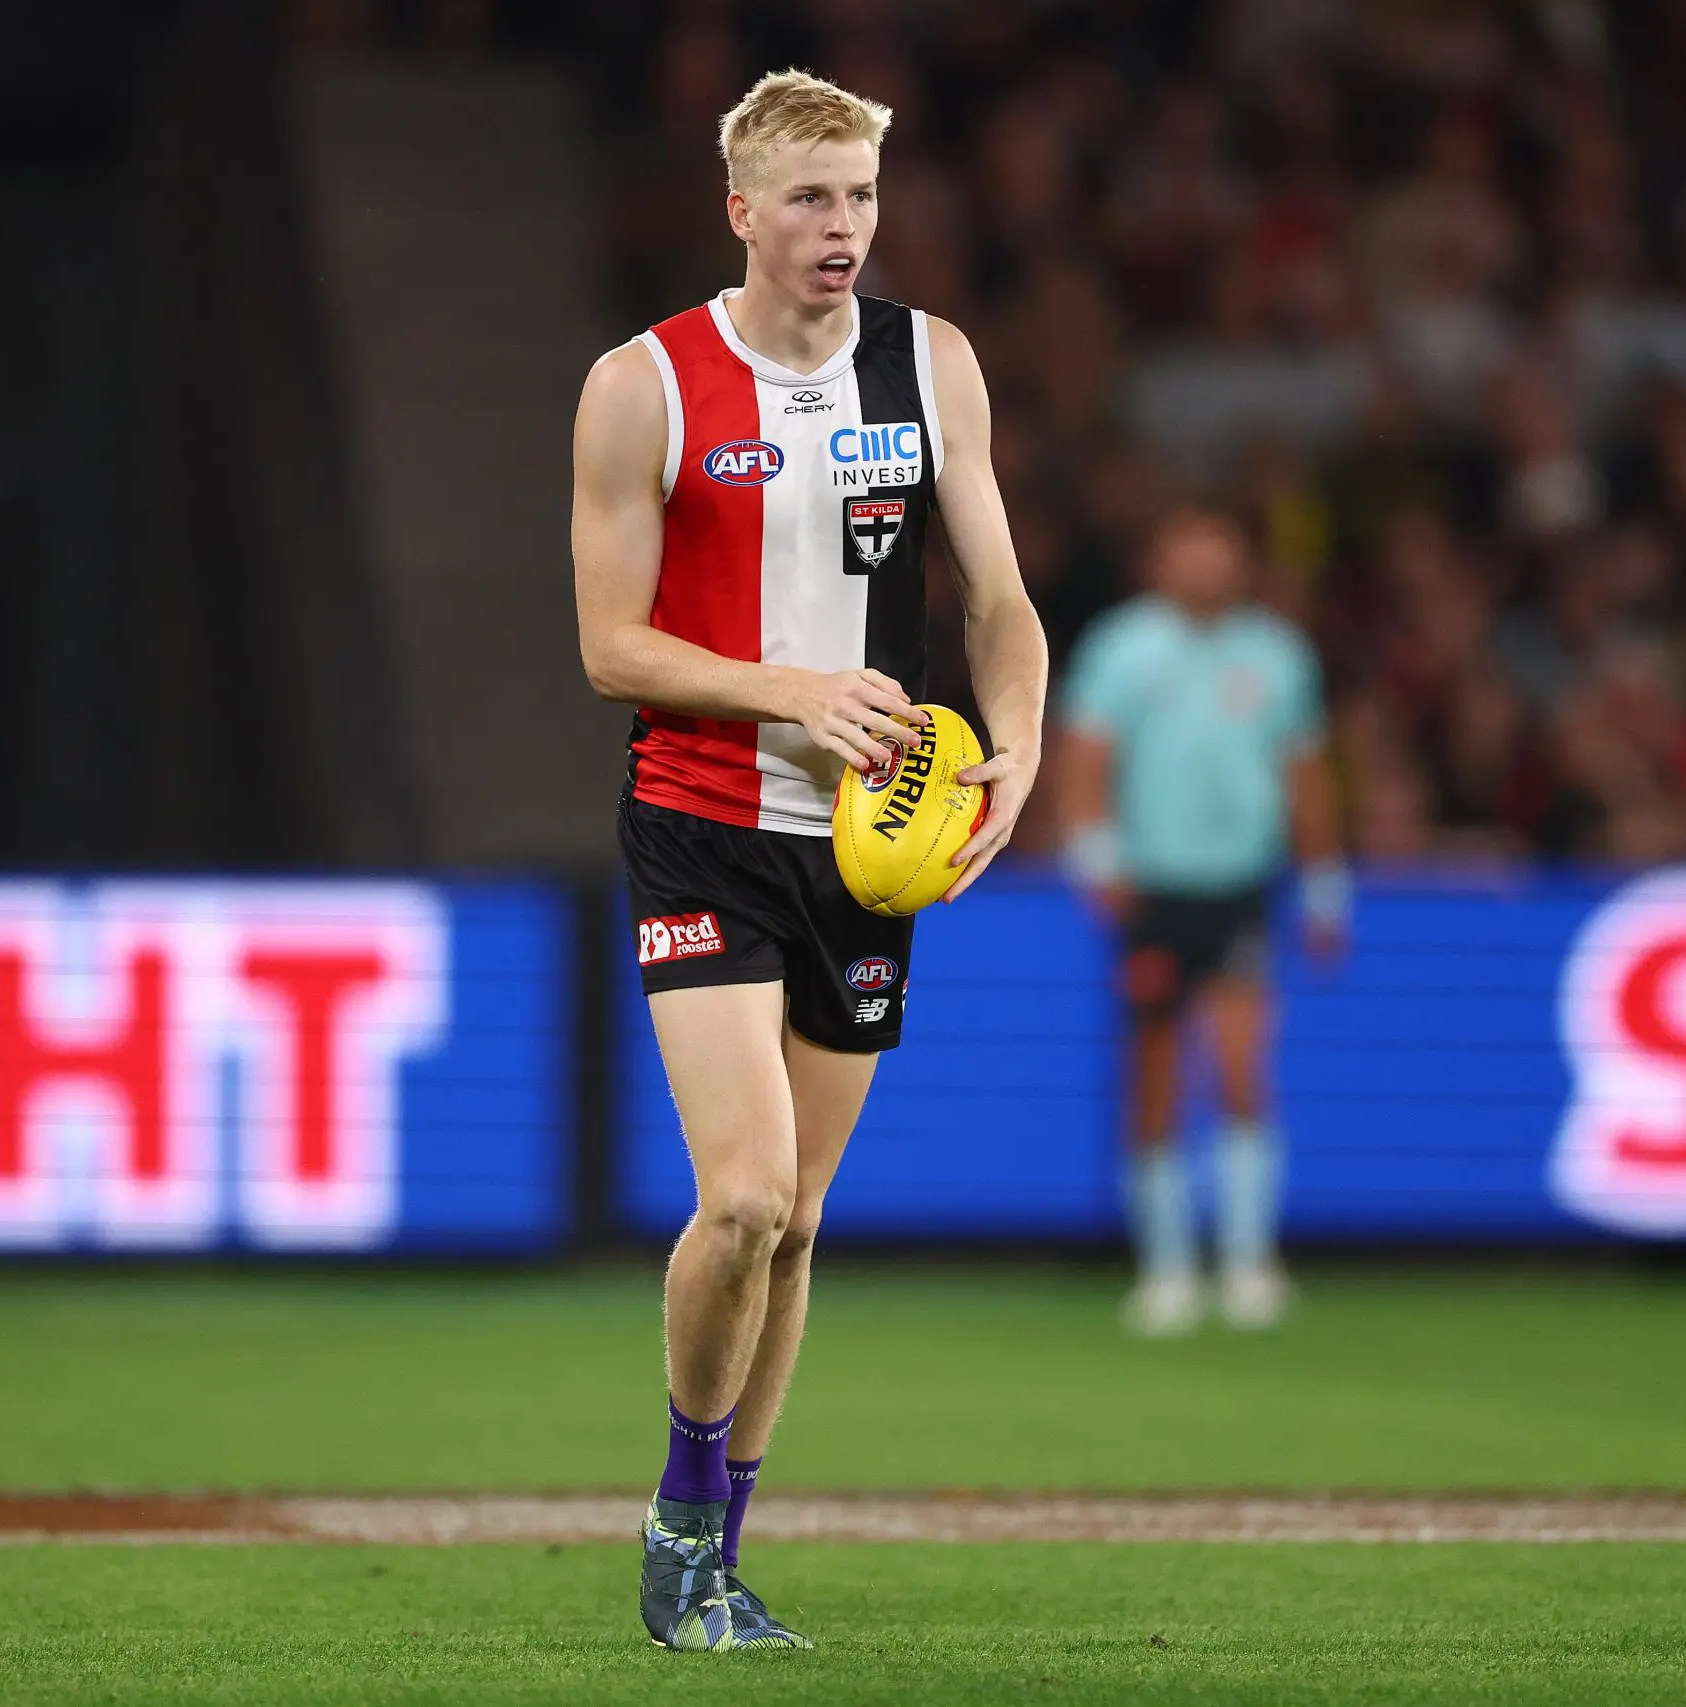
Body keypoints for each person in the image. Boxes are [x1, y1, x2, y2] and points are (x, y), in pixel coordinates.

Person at [571, 70, 1048, 1651]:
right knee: (745, 1198)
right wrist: (790, 689)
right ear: (741, 211)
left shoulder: (933, 367)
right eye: (811, 199)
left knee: (802, 1220)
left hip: (868, 848)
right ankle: (677, 1510)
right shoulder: (645, 385)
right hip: (704, 814)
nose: (843, 226)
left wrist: (1023, 746)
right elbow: (609, 646)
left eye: (860, 196)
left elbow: (995, 597)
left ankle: (716, 1553)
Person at [1058, 508, 1347, 1336]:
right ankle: (1168, 1269)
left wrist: (1326, 884)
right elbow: (1085, 757)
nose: (1205, 570)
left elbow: (1307, 774)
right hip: (1153, 891)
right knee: (1154, 1074)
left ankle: (1249, 1261)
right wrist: (1094, 856)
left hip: (1240, 887)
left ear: (1243, 564)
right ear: (1160, 562)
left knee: (1241, 1065)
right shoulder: (1122, 648)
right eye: (1190, 555)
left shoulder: (1277, 656)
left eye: (1220, 556)